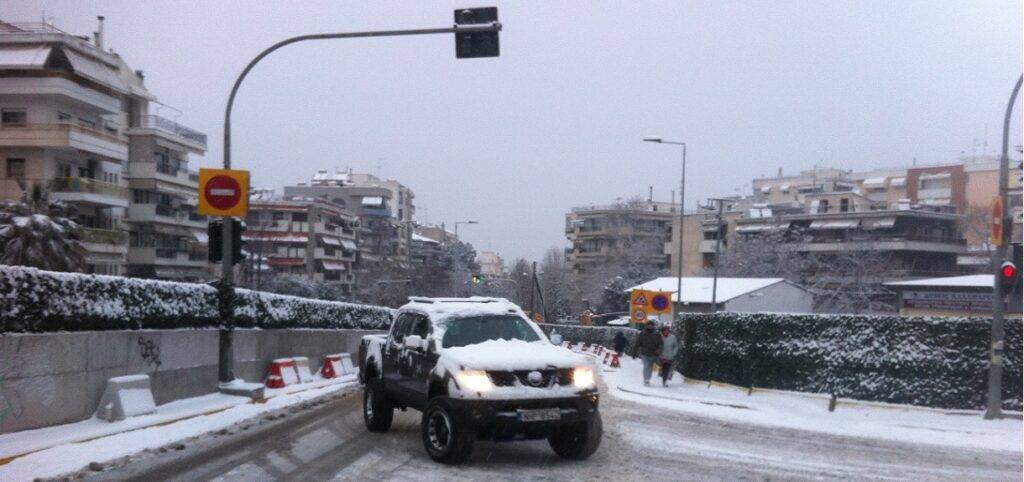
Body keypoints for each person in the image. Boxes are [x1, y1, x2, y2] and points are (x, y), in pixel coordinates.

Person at [636, 321, 663, 386]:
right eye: (648, 325)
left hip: (654, 354)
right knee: (646, 366)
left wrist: (658, 350)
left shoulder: (657, 334)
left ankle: (648, 379)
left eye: (651, 325)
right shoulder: (642, 334)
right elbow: (638, 343)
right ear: (646, 326)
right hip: (645, 353)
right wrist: (634, 352)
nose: (650, 326)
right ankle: (646, 380)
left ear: (653, 326)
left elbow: (661, 344)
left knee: (650, 367)